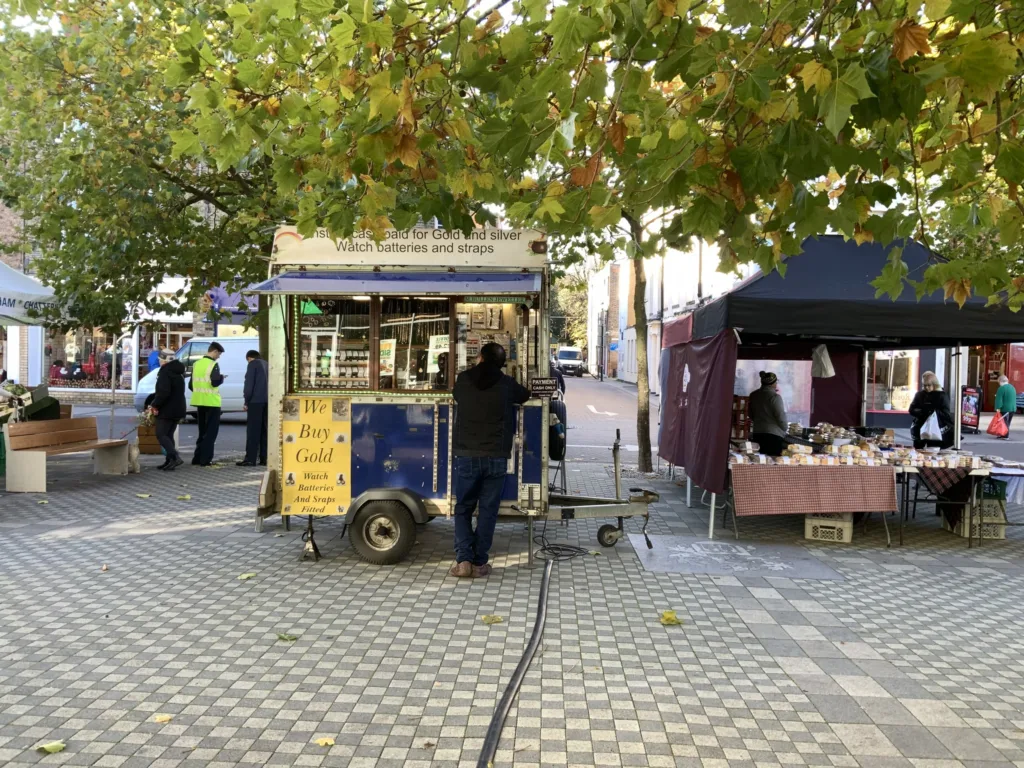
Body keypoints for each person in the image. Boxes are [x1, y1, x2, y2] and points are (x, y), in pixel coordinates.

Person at [450, 342, 530, 578]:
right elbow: (524, 395)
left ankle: (463, 560)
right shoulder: (506, 384)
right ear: (501, 364)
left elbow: (456, 396)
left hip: (467, 454)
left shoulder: (464, 379)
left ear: (481, 358)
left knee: (463, 508)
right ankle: (479, 563)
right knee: (487, 511)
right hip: (496, 456)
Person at [149, 350, 186, 470]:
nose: (159, 362)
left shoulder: (165, 373)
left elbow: (163, 393)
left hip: (167, 409)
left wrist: (155, 404)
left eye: (160, 360)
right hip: (178, 408)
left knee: (161, 434)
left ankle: (175, 457)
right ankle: (170, 461)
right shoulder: (178, 372)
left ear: (163, 360)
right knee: (169, 435)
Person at [189, 341, 226, 466]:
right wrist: (221, 378)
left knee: (202, 431)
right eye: (219, 354)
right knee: (211, 433)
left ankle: (197, 458)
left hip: (199, 402)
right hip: (212, 402)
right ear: (214, 351)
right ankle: (206, 460)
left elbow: (190, 385)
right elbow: (214, 382)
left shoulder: (196, 364)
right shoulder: (213, 364)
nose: (219, 356)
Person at [238, 349, 269, 466]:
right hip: (267, 401)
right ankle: (264, 458)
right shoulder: (267, 364)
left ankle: (250, 459)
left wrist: (246, 401)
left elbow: (249, 385)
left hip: (255, 402)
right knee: (264, 430)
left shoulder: (252, 365)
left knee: (253, 431)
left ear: (249, 358)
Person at [909, 370, 954, 449]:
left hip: (936, 430)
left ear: (934, 384)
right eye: (924, 385)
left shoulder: (942, 396)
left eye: (929, 385)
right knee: (918, 452)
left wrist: (933, 412)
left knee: (934, 452)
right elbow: (911, 409)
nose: (926, 387)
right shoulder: (919, 395)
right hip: (920, 429)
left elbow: (946, 414)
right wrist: (923, 412)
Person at [749, 371, 788, 456]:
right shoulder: (775, 397)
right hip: (773, 436)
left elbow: (751, 414)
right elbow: (780, 416)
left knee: (759, 460)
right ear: (773, 384)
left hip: (757, 433)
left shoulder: (753, 395)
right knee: (772, 462)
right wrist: (785, 428)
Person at [994, 374, 1017, 439]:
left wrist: (998, 408)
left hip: (1005, 408)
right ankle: (1003, 434)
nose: (999, 384)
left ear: (1000, 381)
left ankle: (1005, 436)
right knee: (1008, 422)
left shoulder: (1001, 388)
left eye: (999, 382)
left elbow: (999, 400)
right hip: (1013, 408)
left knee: (1004, 423)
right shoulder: (1012, 387)